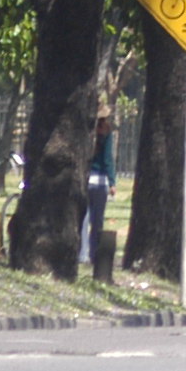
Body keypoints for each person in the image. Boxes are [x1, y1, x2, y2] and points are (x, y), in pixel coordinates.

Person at [80, 107, 117, 267]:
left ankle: (82, 254)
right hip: (101, 182)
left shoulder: (86, 133)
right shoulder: (106, 134)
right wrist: (112, 181)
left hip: (87, 179)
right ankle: (95, 254)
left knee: (84, 219)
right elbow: (108, 159)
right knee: (98, 221)